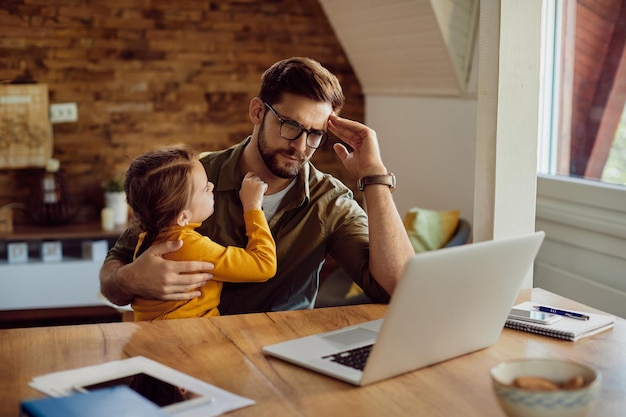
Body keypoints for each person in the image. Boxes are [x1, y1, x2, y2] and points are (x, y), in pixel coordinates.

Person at [100, 56, 415, 314]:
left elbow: (399, 288)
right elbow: (114, 271)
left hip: (285, 357)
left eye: (315, 134)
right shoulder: (192, 178)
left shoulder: (329, 201)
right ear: (257, 111)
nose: (301, 146)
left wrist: (374, 176)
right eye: (291, 125)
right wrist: (128, 279)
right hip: (191, 355)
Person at [123, 145, 276, 320]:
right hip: (188, 339)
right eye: (205, 189)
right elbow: (264, 265)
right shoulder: (187, 246)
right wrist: (252, 206)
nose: (211, 186)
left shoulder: (146, 239)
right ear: (183, 217)